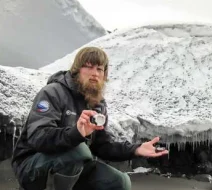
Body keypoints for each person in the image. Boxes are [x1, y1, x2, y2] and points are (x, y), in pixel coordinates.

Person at [11, 47, 168, 190]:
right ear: (77, 70)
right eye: (89, 66)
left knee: (120, 182)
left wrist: (136, 149)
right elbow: (38, 137)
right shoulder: (52, 93)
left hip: (74, 167)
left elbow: (103, 146)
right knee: (78, 151)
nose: (95, 73)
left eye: (100, 69)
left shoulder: (98, 105)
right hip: (32, 166)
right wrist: (75, 133)